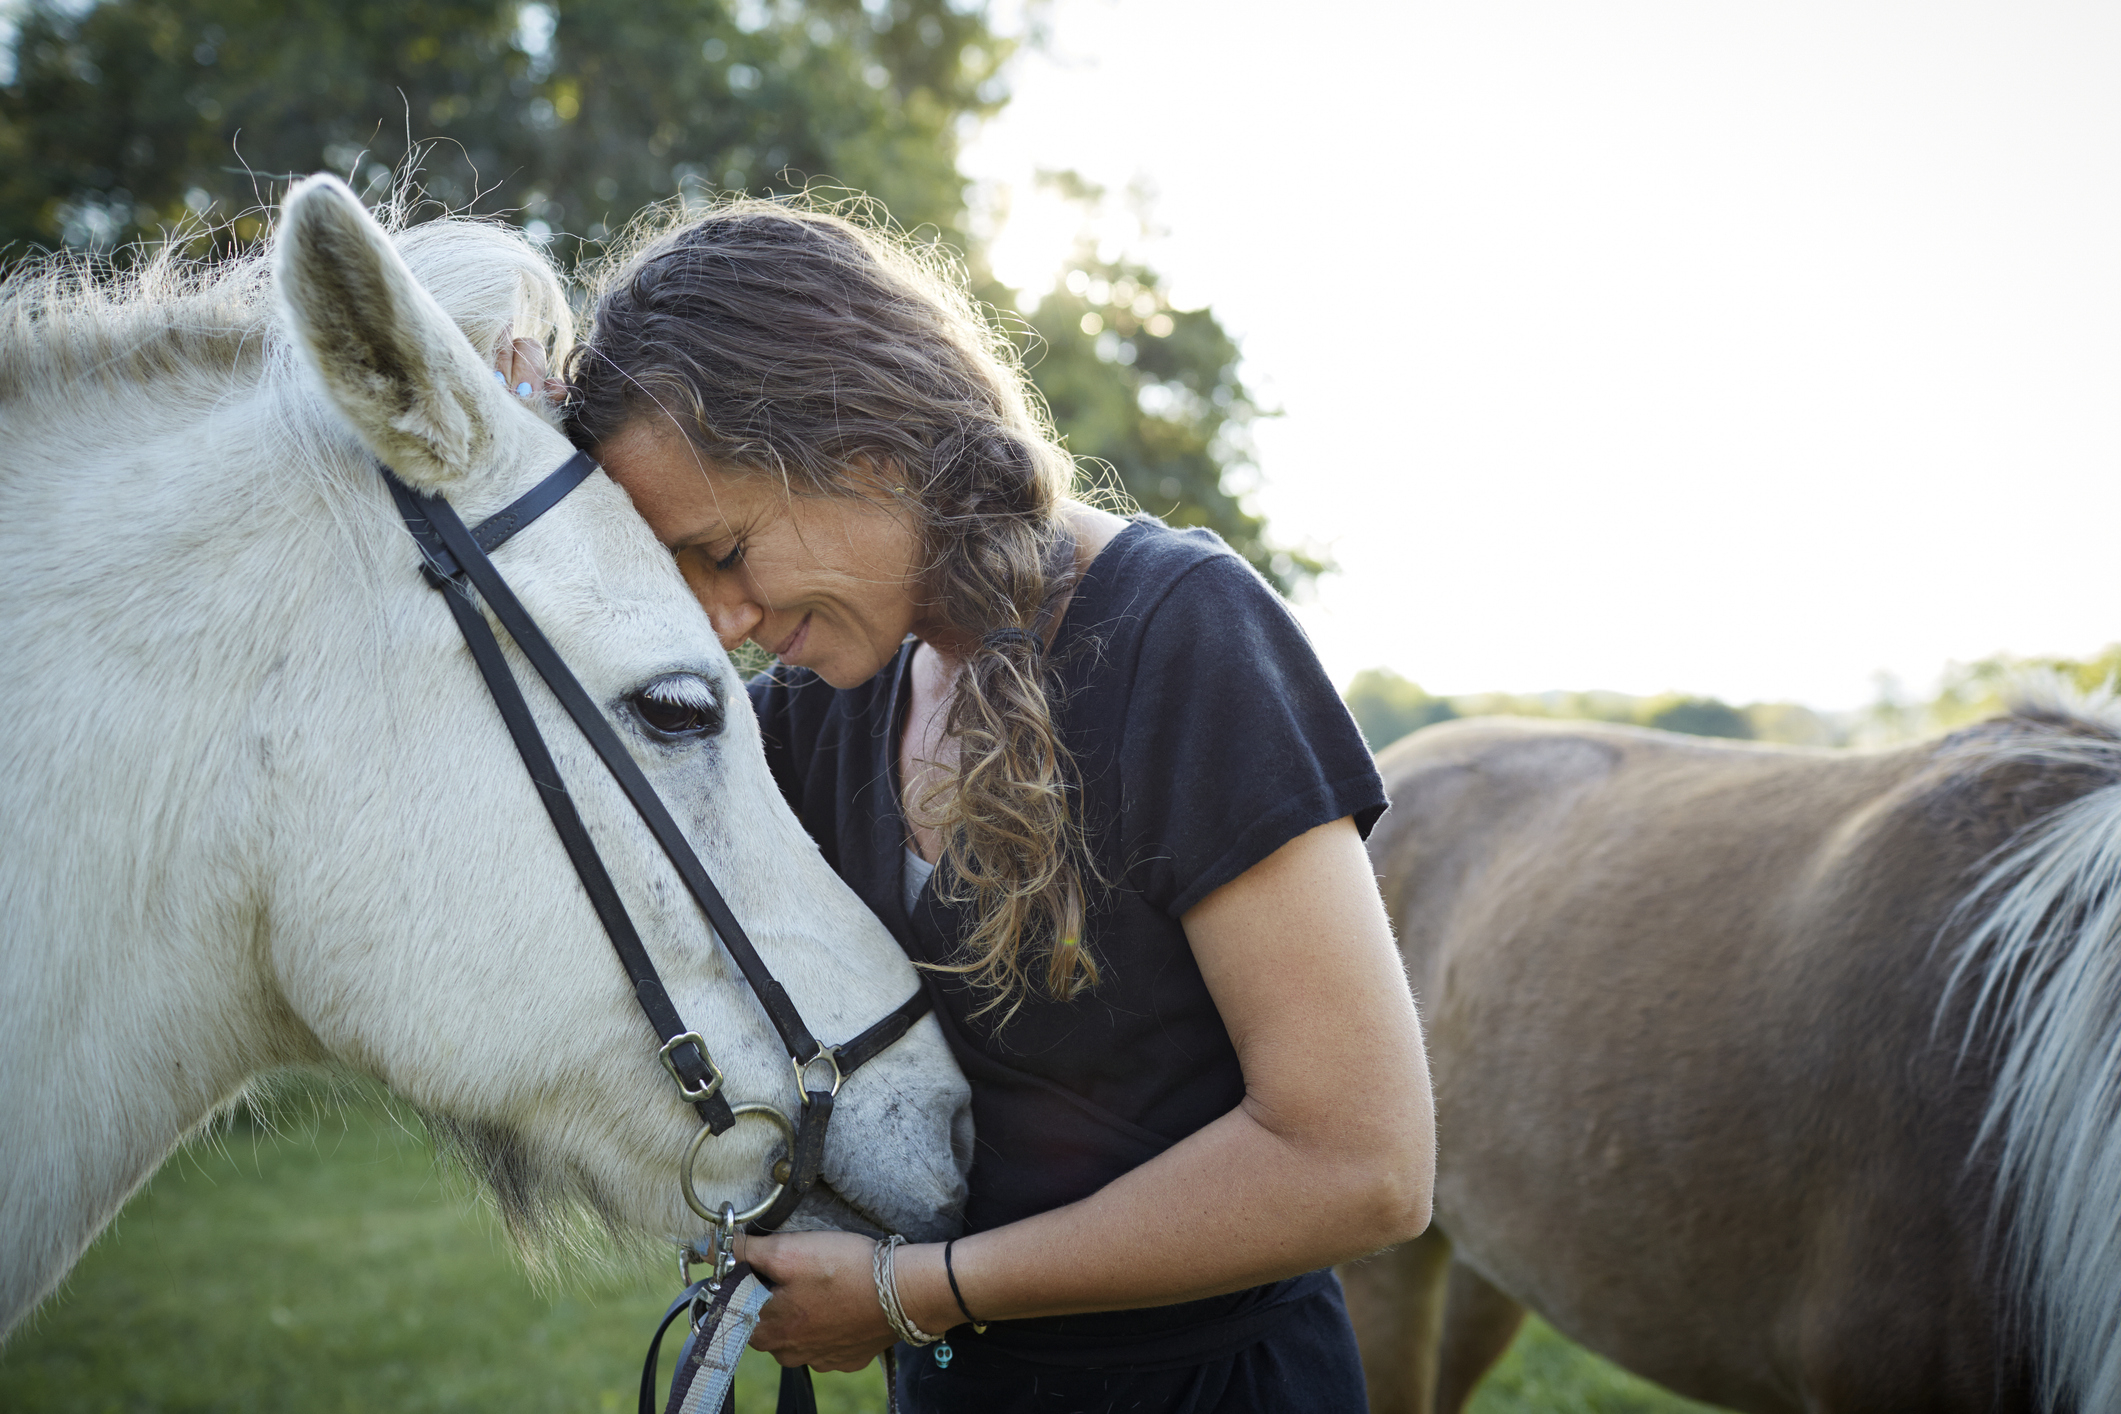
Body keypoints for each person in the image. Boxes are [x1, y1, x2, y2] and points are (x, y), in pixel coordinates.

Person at [500, 198, 1435, 1413]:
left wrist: (914, 1292)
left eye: (724, 552)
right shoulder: (815, 706)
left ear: (870, 449)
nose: (718, 623)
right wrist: (500, 471)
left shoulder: (1184, 637)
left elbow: (1359, 1162)